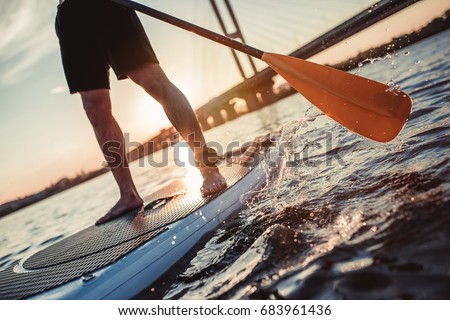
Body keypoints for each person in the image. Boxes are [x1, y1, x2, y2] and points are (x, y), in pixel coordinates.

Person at [55, 0, 227, 225]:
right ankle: (128, 195)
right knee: (94, 105)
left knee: (152, 80)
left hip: (106, 6)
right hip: (71, 14)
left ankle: (207, 168)